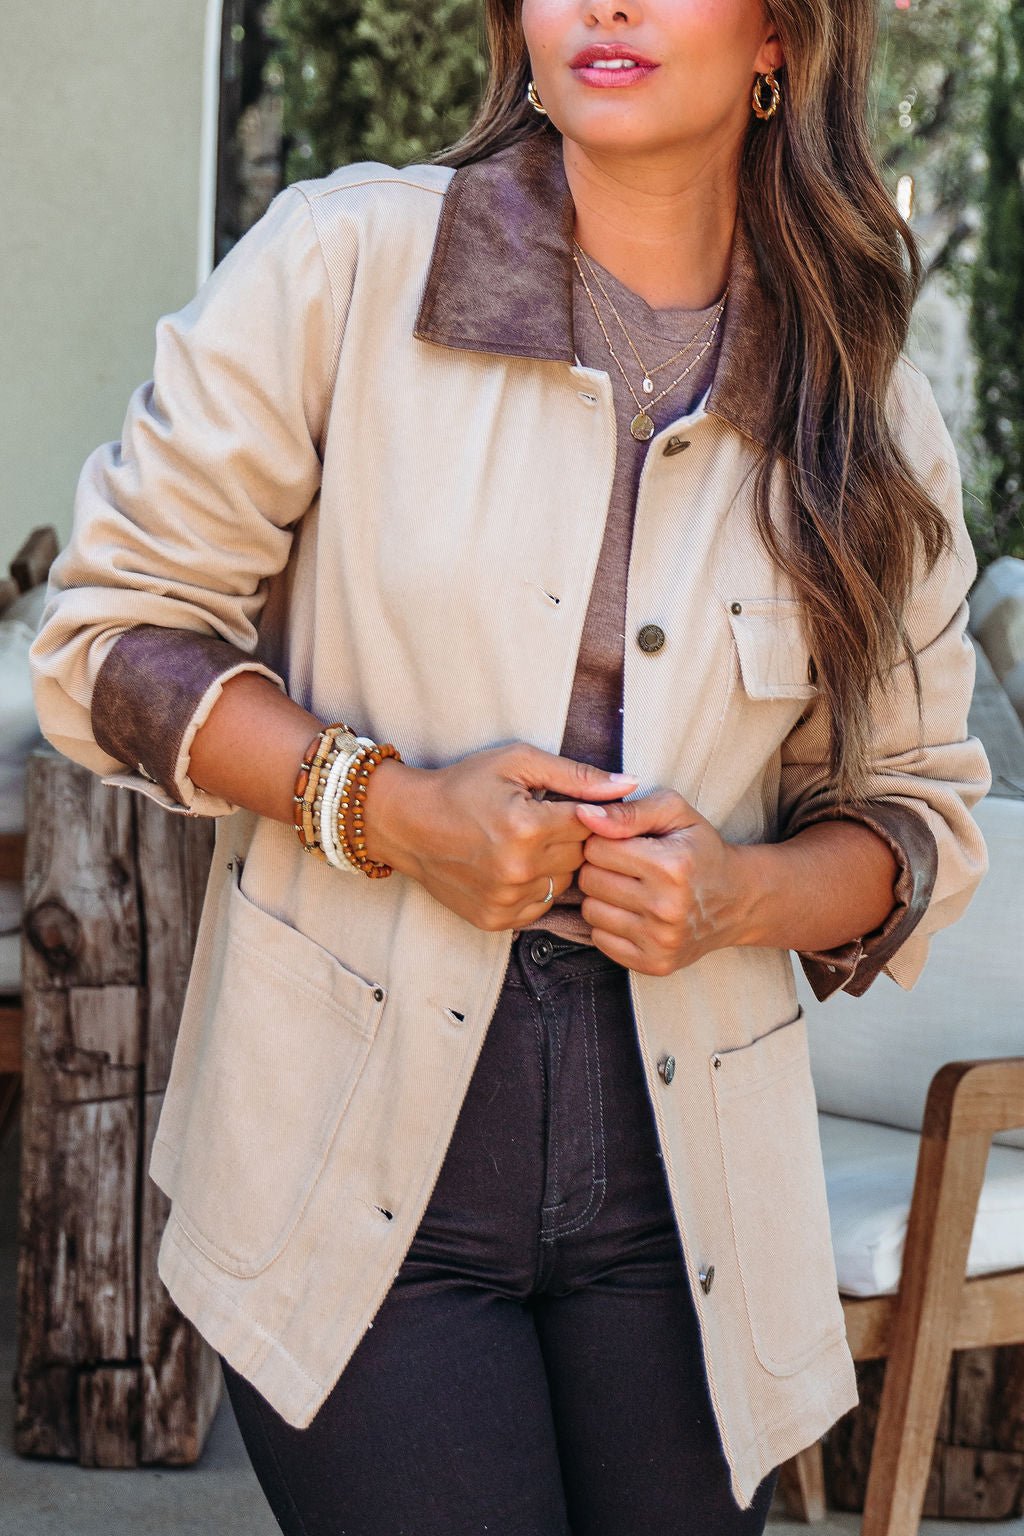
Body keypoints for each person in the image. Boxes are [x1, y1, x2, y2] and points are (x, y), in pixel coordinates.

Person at [31, 0, 989, 1531]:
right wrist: (383, 806)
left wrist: (735, 895)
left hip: (689, 1195)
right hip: (350, 1156)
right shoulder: (344, 264)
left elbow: (916, 808)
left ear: (778, 40)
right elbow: (112, 640)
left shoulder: (861, 395)